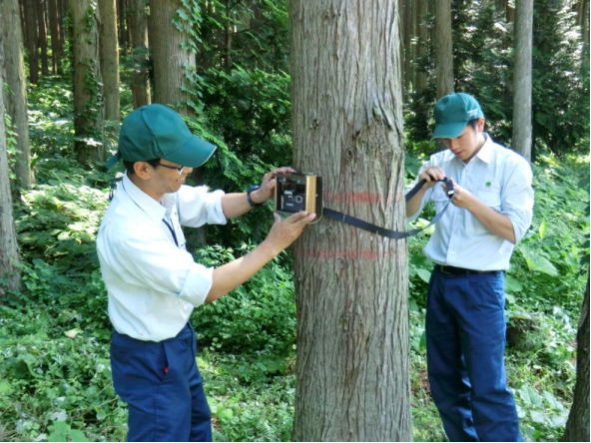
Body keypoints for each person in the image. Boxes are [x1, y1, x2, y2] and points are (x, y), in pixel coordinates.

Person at [96, 103, 315, 442]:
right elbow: (207, 286)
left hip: (176, 342)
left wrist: (258, 195)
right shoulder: (129, 232)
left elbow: (208, 206)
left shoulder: (155, 192)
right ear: (142, 168)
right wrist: (273, 244)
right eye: (179, 164)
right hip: (151, 357)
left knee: (197, 429)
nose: (187, 170)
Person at [406, 92, 534, 442]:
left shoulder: (511, 166)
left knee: (488, 386)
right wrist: (421, 185)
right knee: (445, 382)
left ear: (479, 125)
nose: (453, 144)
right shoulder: (439, 160)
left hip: (482, 287)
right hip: (441, 283)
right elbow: (405, 213)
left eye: (459, 136)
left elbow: (513, 231)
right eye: (446, 137)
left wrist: (471, 202)